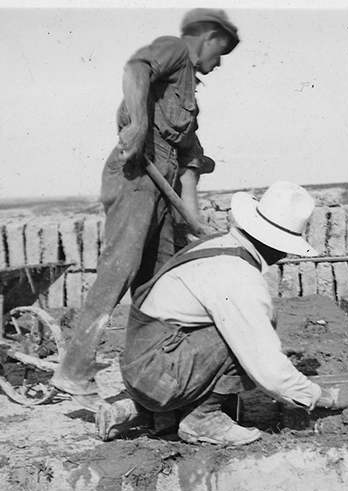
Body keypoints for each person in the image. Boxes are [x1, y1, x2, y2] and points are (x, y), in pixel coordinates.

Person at [49, 8, 240, 398]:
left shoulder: (189, 95)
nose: (218, 64)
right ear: (208, 36)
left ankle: (150, 372)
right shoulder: (174, 49)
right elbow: (135, 69)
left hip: (163, 185)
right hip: (137, 174)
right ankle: (74, 368)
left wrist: (192, 219)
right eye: (221, 52)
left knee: (160, 279)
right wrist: (137, 126)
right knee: (121, 266)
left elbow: (189, 165)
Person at [94, 181, 348, 446]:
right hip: (156, 373)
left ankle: (144, 415)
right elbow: (267, 369)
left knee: (245, 334)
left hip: (144, 365)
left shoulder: (220, 244)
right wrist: (317, 396)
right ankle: (202, 419)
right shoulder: (240, 277)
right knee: (247, 337)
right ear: (281, 245)